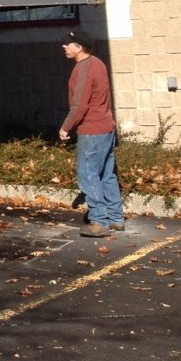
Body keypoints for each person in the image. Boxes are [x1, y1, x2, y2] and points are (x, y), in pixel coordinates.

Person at [58, 30, 125, 237]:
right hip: (106, 127)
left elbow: (79, 105)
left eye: (68, 43)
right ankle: (116, 218)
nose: (64, 46)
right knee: (106, 174)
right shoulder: (98, 63)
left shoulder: (84, 69)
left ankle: (99, 221)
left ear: (79, 47)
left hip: (92, 130)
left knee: (87, 174)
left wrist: (66, 127)